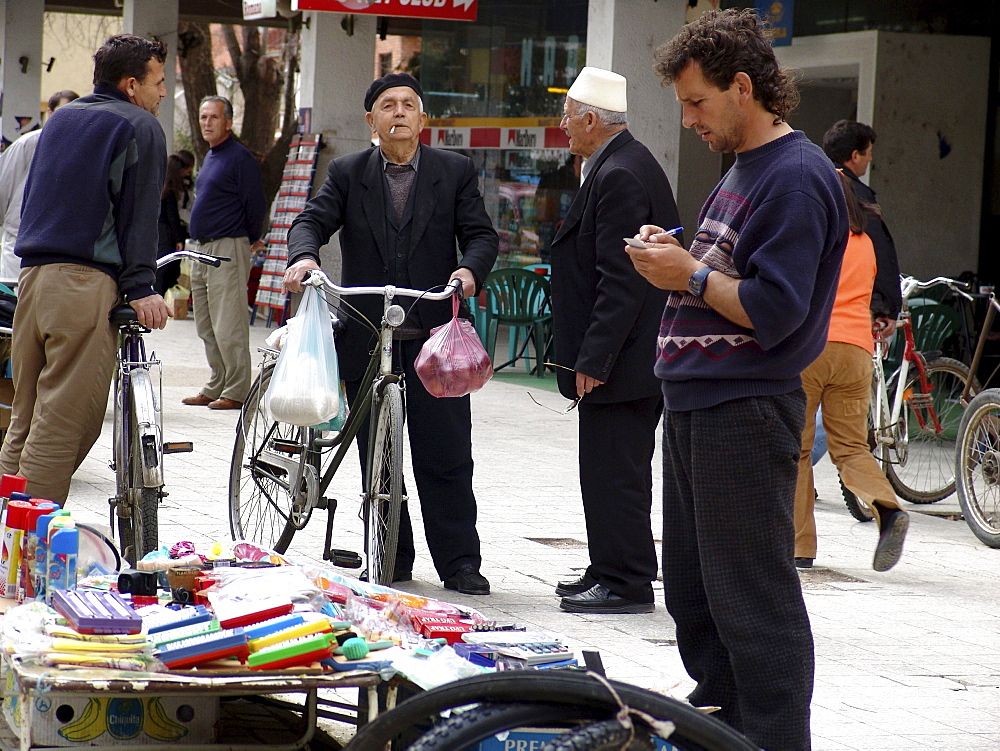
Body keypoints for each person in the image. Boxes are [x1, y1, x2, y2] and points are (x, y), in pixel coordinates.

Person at [626, 10, 850, 749]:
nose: (688, 119)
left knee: (753, 602)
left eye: (696, 102)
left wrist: (685, 273)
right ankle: (719, 730)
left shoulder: (794, 176)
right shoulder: (746, 168)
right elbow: (726, 268)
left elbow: (774, 310)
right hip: (699, 403)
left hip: (743, 409)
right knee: (698, 597)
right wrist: (680, 252)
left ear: (744, 87)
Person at [283, 73, 498, 595]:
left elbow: (480, 235)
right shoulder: (348, 172)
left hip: (432, 339)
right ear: (372, 121)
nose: (399, 113)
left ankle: (460, 562)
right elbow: (310, 220)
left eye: (408, 105)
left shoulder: (454, 171)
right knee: (377, 457)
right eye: (387, 105)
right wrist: (305, 256)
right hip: (367, 337)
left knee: (446, 454)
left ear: (423, 119)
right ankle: (390, 554)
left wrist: (469, 270)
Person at [0, 34, 171, 504]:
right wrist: (141, 286)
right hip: (83, 285)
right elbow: (139, 215)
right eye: (158, 82)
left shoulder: (60, 121)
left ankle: (4, 533)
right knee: (65, 422)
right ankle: (29, 550)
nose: (162, 93)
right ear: (132, 83)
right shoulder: (140, 125)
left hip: (32, 280)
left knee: (26, 414)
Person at [548, 67, 677, 615]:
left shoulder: (620, 173)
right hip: (623, 359)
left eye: (568, 117)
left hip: (622, 361)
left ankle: (626, 584)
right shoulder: (616, 163)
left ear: (593, 120)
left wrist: (594, 357)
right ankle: (607, 567)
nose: (562, 127)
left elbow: (619, 279)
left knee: (615, 472)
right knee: (604, 469)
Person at [794, 171, 909, 572]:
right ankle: (887, 508)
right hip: (856, 352)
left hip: (811, 348)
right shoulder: (865, 243)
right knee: (851, 448)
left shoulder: (815, 236)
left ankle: (800, 546)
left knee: (799, 449)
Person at [181, 96, 267, 411]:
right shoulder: (213, 156)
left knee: (228, 323)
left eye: (213, 117)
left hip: (227, 247)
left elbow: (255, 204)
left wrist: (249, 239)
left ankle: (237, 390)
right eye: (203, 117)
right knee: (205, 324)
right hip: (201, 249)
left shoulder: (240, 158)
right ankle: (217, 382)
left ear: (228, 122)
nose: (207, 122)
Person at [822, 120, 901, 334]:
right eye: (868, 152)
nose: (871, 158)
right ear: (855, 156)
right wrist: (888, 307)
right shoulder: (856, 197)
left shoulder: (814, 184)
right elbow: (878, 250)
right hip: (850, 317)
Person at [0, 90, 80, 280]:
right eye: (63, 112)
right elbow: (4, 184)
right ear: (50, 113)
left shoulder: (81, 147)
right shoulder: (29, 142)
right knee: (14, 301)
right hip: (20, 237)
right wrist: (12, 226)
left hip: (59, 244)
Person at [155, 151, 195, 295]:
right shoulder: (171, 192)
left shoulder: (160, 188)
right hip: (168, 234)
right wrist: (178, 238)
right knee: (167, 269)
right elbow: (174, 217)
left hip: (159, 232)